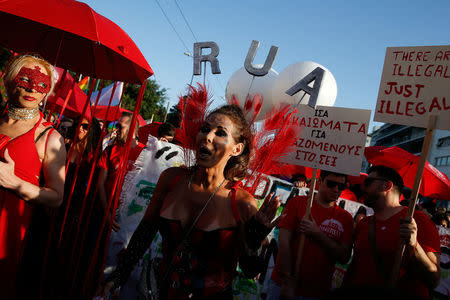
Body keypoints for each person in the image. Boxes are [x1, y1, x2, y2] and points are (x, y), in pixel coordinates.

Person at [98, 104, 281, 299]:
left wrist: (254, 238)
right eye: (205, 129)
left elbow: (249, 270)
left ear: (237, 148)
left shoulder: (243, 203)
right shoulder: (171, 179)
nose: (208, 136)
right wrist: (118, 276)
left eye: (220, 133)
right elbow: (145, 232)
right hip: (160, 292)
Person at [0, 54, 66, 299]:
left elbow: (57, 197)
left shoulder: (50, 137)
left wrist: (14, 183)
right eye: (25, 78)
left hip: (7, 233)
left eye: (41, 84)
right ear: (8, 81)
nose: (32, 88)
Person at [343, 165, 441, 299]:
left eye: (368, 182)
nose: (363, 187)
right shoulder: (364, 223)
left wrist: (413, 244)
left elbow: (433, 280)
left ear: (387, 186)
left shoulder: (418, 220)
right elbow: (355, 266)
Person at [268, 170, 354, 300]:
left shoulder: (346, 218)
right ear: (319, 182)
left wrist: (317, 233)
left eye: (341, 186)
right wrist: (287, 278)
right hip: (283, 285)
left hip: (317, 292)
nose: (336, 189)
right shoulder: (297, 202)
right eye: (331, 184)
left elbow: (344, 257)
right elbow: (284, 241)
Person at [98, 112, 145, 232]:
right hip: (105, 215)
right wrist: (106, 214)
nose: (116, 129)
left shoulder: (146, 153)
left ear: (131, 129)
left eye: (120, 126)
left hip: (130, 219)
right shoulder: (110, 150)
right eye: (116, 125)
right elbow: (100, 184)